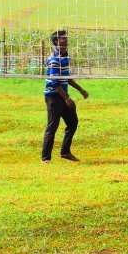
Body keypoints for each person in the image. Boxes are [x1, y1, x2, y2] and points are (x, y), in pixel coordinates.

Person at [42, 29, 88, 163]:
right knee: (52, 126)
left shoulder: (65, 57)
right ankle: (45, 158)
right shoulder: (54, 59)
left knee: (73, 122)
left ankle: (65, 152)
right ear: (56, 41)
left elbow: (66, 78)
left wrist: (81, 90)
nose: (66, 40)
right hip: (53, 96)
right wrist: (67, 98)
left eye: (66, 38)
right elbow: (54, 83)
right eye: (63, 38)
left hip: (62, 95)